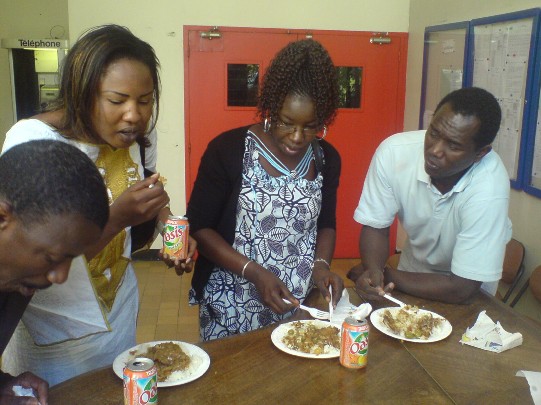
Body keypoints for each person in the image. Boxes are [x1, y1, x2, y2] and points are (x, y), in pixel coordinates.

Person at [1, 24, 196, 386]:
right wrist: (117, 217)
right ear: (82, 93)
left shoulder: (135, 132)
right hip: (59, 331)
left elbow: (149, 189)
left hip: (118, 307)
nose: (134, 115)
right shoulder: (34, 142)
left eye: (145, 99)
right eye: (117, 100)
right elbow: (35, 253)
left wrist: (171, 226)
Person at [187, 39, 344, 341]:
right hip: (231, 302)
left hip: (297, 304)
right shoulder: (229, 150)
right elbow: (201, 227)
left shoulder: (326, 158)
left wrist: (321, 268)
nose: (298, 137)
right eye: (286, 123)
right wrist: (255, 272)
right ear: (270, 107)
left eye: (311, 126)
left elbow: (325, 224)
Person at [348, 87, 512, 304]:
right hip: (411, 273)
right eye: (433, 132)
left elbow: (462, 289)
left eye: (453, 145)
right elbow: (375, 226)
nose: (435, 150)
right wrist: (374, 272)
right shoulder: (394, 153)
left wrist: (385, 274)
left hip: (468, 285)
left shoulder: (489, 187)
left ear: (480, 153)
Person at [0, 140, 109, 405]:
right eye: (52, 258)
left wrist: (4, 384)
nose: (59, 277)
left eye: (71, 259)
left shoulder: (20, 280)